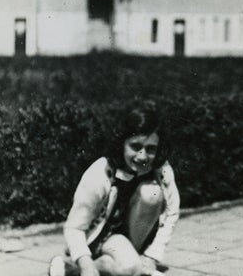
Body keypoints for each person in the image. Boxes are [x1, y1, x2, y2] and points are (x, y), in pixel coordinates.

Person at [48, 101, 180, 276]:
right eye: (135, 146)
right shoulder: (100, 172)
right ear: (122, 143)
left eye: (150, 149)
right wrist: (85, 263)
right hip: (101, 237)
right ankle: (73, 267)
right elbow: (74, 227)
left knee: (153, 192)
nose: (142, 156)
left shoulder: (161, 170)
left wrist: (151, 256)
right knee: (129, 268)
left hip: (133, 238)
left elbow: (171, 212)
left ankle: (132, 262)